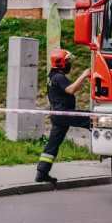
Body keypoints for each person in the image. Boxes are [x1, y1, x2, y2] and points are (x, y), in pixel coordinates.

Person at [35, 49, 93, 184]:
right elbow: (71, 89)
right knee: (93, 119)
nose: (69, 64)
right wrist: (83, 75)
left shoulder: (53, 77)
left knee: (52, 144)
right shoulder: (59, 77)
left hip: (58, 115)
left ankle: (42, 172)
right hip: (63, 113)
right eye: (67, 61)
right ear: (60, 62)